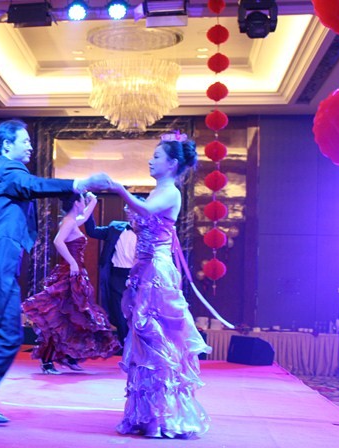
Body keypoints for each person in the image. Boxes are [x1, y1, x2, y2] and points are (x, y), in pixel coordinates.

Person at [0, 119, 112, 424]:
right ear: (7, 145)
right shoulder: (6, 169)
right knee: (8, 335)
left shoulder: (1, 172)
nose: (30, 146)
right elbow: (33, 186)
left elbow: (28, 191)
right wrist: (79, 183)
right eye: (25, 141)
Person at [110, 132, 211, 438]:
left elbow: (146, 212)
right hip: (143, 270)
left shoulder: (171, 193)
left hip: (158, 271)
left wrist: (119, 190)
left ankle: (161, 417)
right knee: (144, 340)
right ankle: (145, 414)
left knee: (158, 339)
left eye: (156, 156)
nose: (150, 161)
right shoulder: (157, 191)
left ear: (172, 163)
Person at [22, 192, 120, 375]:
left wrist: (92, 198)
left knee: (73, 316)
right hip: (69, 272)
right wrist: (73, 262)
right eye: (82, 200)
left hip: (75, 273)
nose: (83, 203)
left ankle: (68, 356)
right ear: (76, 203)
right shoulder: (68, 221)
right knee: (59, 317)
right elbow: (57, 241)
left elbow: (86, 215)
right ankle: (47, 361)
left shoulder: (73, 220)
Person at [84, 209, 138, 348]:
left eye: (133, 208)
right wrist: (89, 207)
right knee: (119, 311)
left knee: (137, 310)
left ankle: (137, 345)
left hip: (138, 276)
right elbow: (92, 231)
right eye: (128, 208)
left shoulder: (148, 233)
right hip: (117, 275)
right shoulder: (115, 227)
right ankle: (124, 342)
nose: (130, 212)